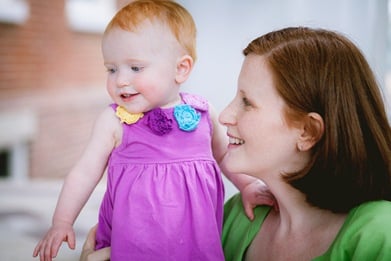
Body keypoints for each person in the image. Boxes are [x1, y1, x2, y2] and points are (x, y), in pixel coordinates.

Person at [32, 1, 273, 261]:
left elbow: (225, 155)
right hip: (134, 241)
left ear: (181, 69)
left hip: (193, 238)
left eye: (135, 68)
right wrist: (62, 221)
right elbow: (84, 173)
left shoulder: (203, 113)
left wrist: (247, 186)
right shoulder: (114, 120)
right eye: (111, 69)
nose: (121, 80)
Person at [221, 27, 391, 260]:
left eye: (247, 102)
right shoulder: (236, 215)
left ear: (307, 131)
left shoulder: (380, 234)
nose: (224, 115)